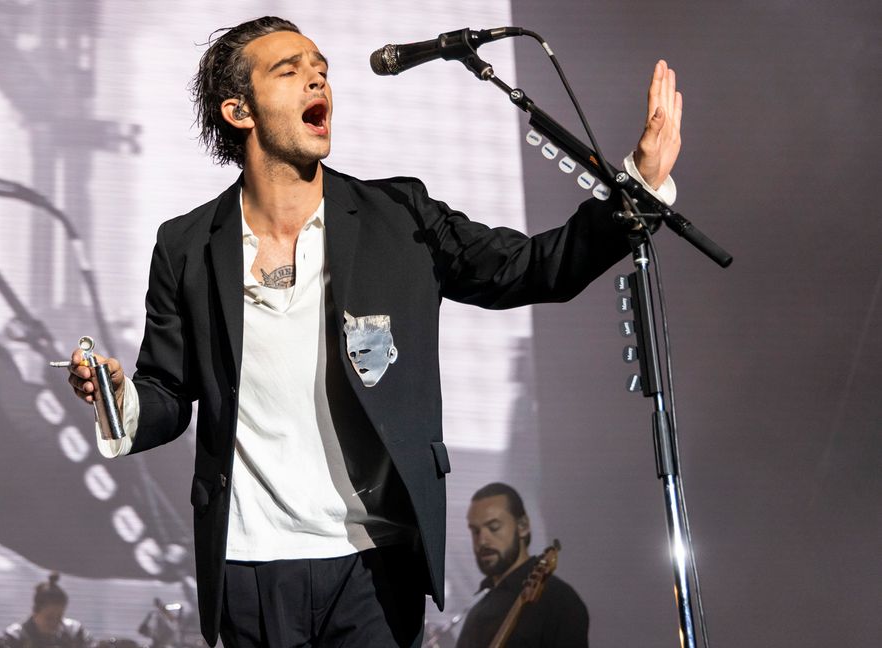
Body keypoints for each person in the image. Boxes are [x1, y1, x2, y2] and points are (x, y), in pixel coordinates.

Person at [66, 15, 682, 648]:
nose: (317, 78)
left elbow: (529, 268)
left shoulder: (400, 219)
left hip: (372, 562)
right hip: (249, 566)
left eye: (321, 68)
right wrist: (122, 398)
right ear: (239, 110)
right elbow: (169, 390)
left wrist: (637, 185)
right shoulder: (188, 244)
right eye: (290, 70)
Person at [455, 483, 588, 648]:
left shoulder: (559, 601)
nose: (482, 541)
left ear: (523, 526)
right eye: (475, 531)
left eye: (493, 527)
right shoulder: (477, 612)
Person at [0, 572, 93, 648]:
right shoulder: (13, 638)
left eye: (59, 617)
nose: (54, 623)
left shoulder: (75, 634)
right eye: (49, 618)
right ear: (35, 612)